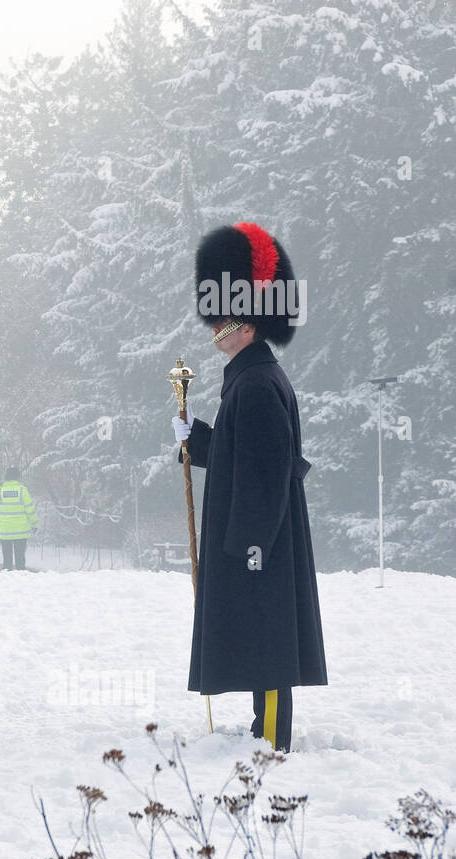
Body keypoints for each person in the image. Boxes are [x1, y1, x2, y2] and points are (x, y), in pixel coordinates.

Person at [171, 222, 327, 753]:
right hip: (259, 536)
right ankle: (264, 728)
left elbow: (263, 476)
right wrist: (198, 440)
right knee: (264, 634)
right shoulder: (250, 375)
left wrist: (252, 542)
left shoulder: (257, 382)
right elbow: (243, 455)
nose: (215, 326)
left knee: (273, 641)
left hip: (264, 538)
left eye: (224, 318)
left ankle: (274, 735)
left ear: (248, 323)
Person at [0, 467, 38, 570]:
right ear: (17, 477)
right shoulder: (22, 490)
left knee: (7, 559)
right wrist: (34, 524)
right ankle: (21, 578)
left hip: (6, 530)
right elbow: (30, 509)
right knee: (20, 558)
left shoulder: (1, 490)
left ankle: (8, 580)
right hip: (21, 530)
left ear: (6, 477)